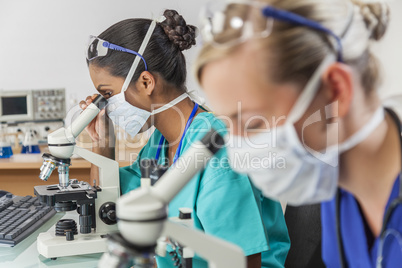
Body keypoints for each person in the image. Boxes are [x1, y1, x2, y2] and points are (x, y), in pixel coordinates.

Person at [195, 0, 401, 267]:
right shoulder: (335, 186)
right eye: (228, 126)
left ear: (337, 90)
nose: (238, 158)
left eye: (252, 124)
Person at [80, 9, 290, 268]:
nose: (106, 107)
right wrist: (103, 144)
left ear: (146, 82)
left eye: (108, 94)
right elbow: (108, 205)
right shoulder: (159, 143)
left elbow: (244, 261)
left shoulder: (218, 150)